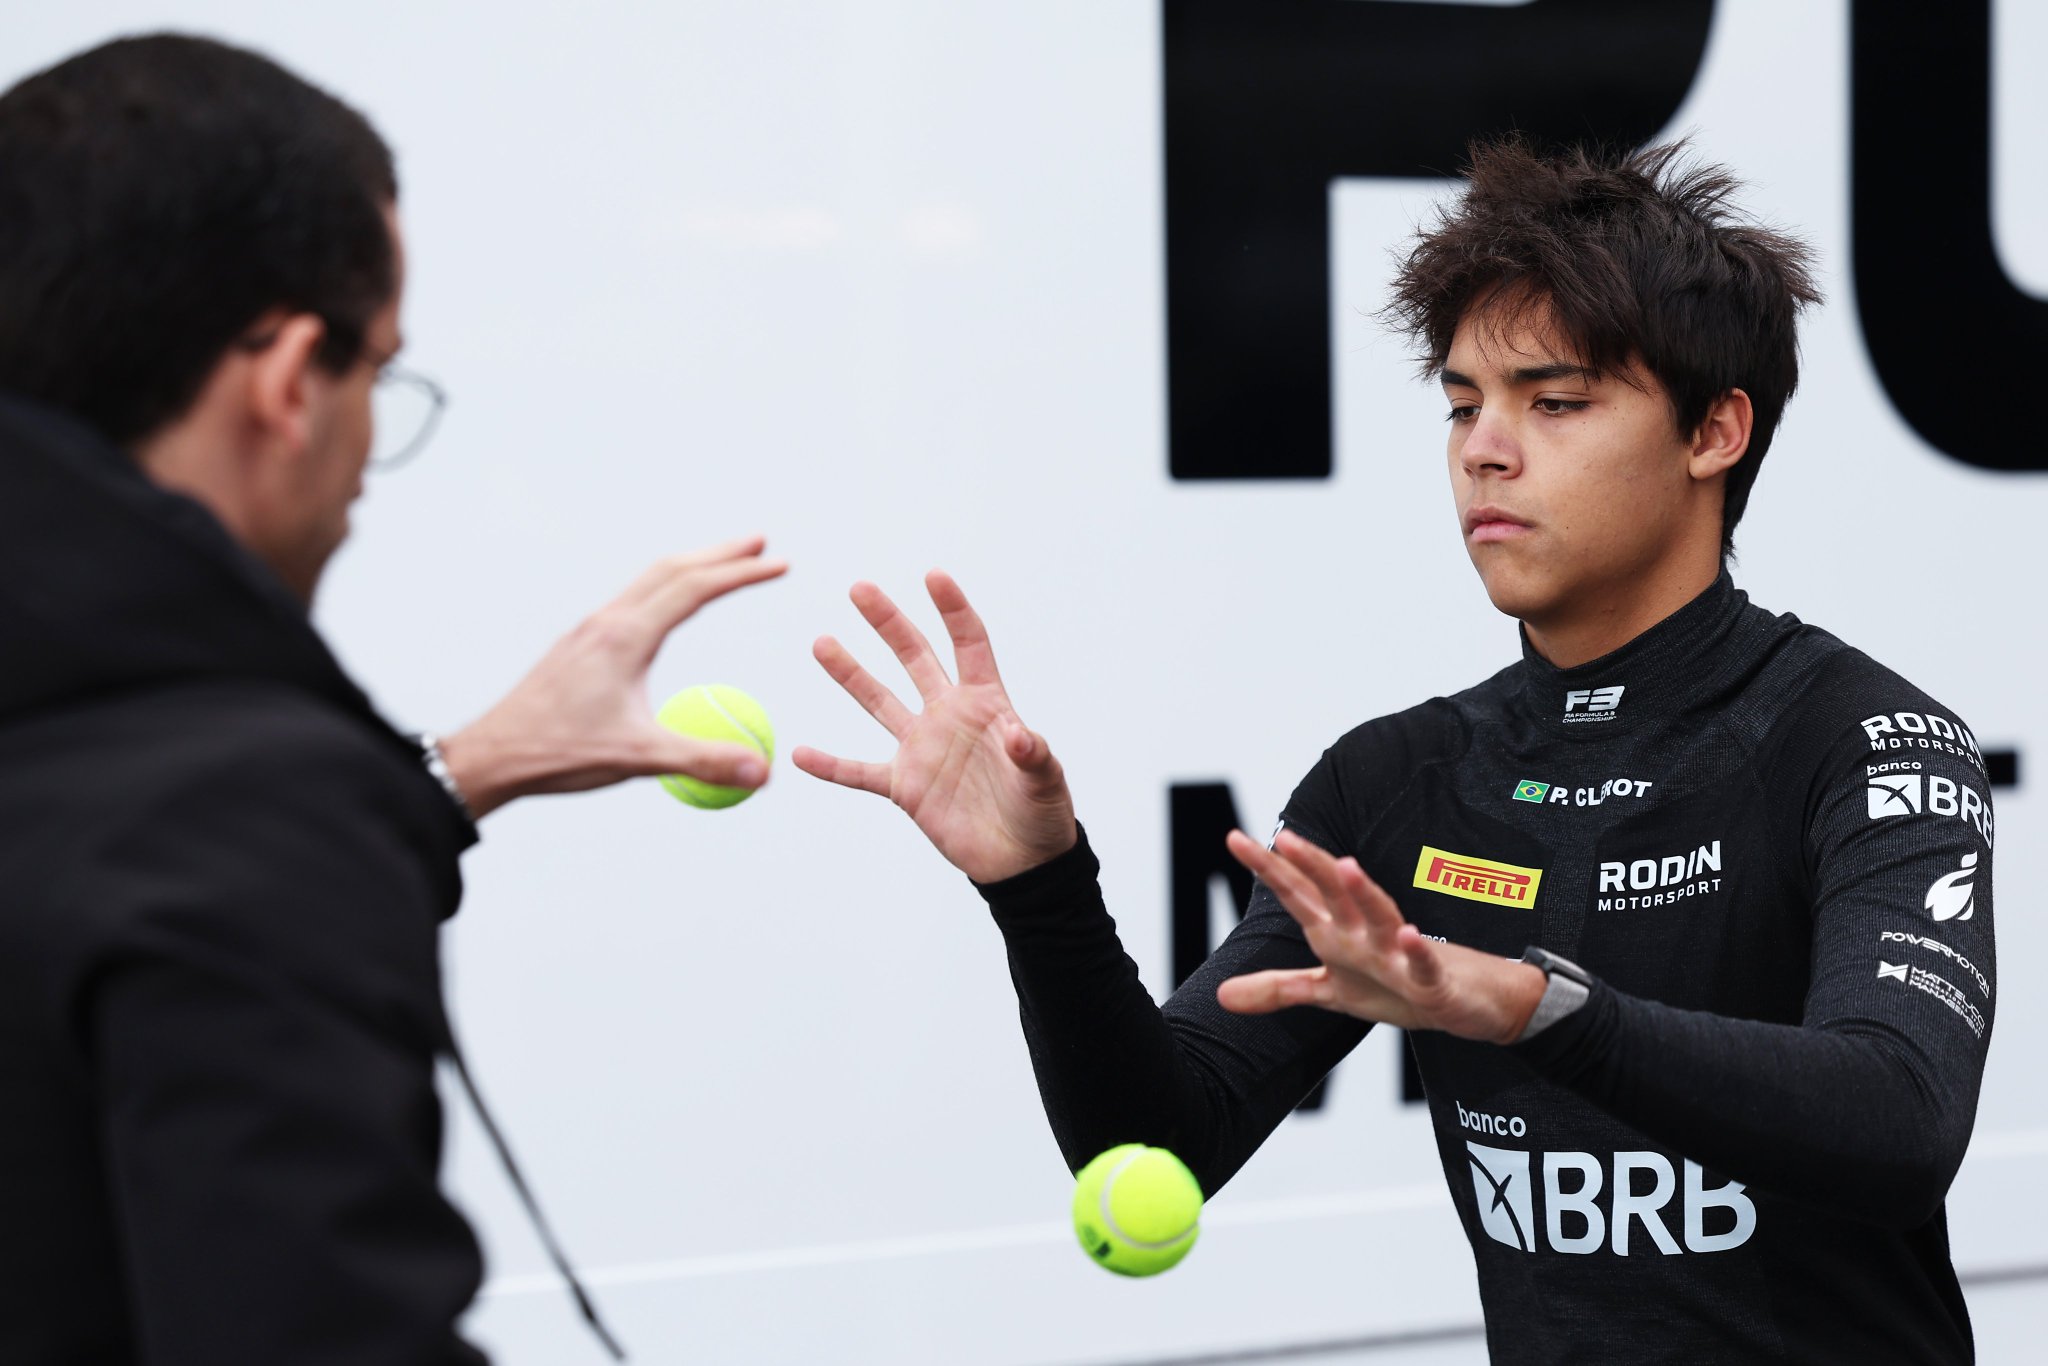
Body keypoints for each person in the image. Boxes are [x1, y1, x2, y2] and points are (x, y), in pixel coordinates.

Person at [798, 141, 1996, 1363]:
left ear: (1712, 430)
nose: (1483, 446)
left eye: (1553, 400)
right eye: (1462, 402)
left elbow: (1897, 1118)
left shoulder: (1862, 741)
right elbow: (1155, 1144)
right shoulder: (1403, 778)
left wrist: (1535, 1009)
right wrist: (1036, 887)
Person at [0, 34, 783, 1363]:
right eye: (378, 369)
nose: (372, 447)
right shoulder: (245, 817)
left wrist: (452, 771)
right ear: (289, 380)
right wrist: (318, 813)